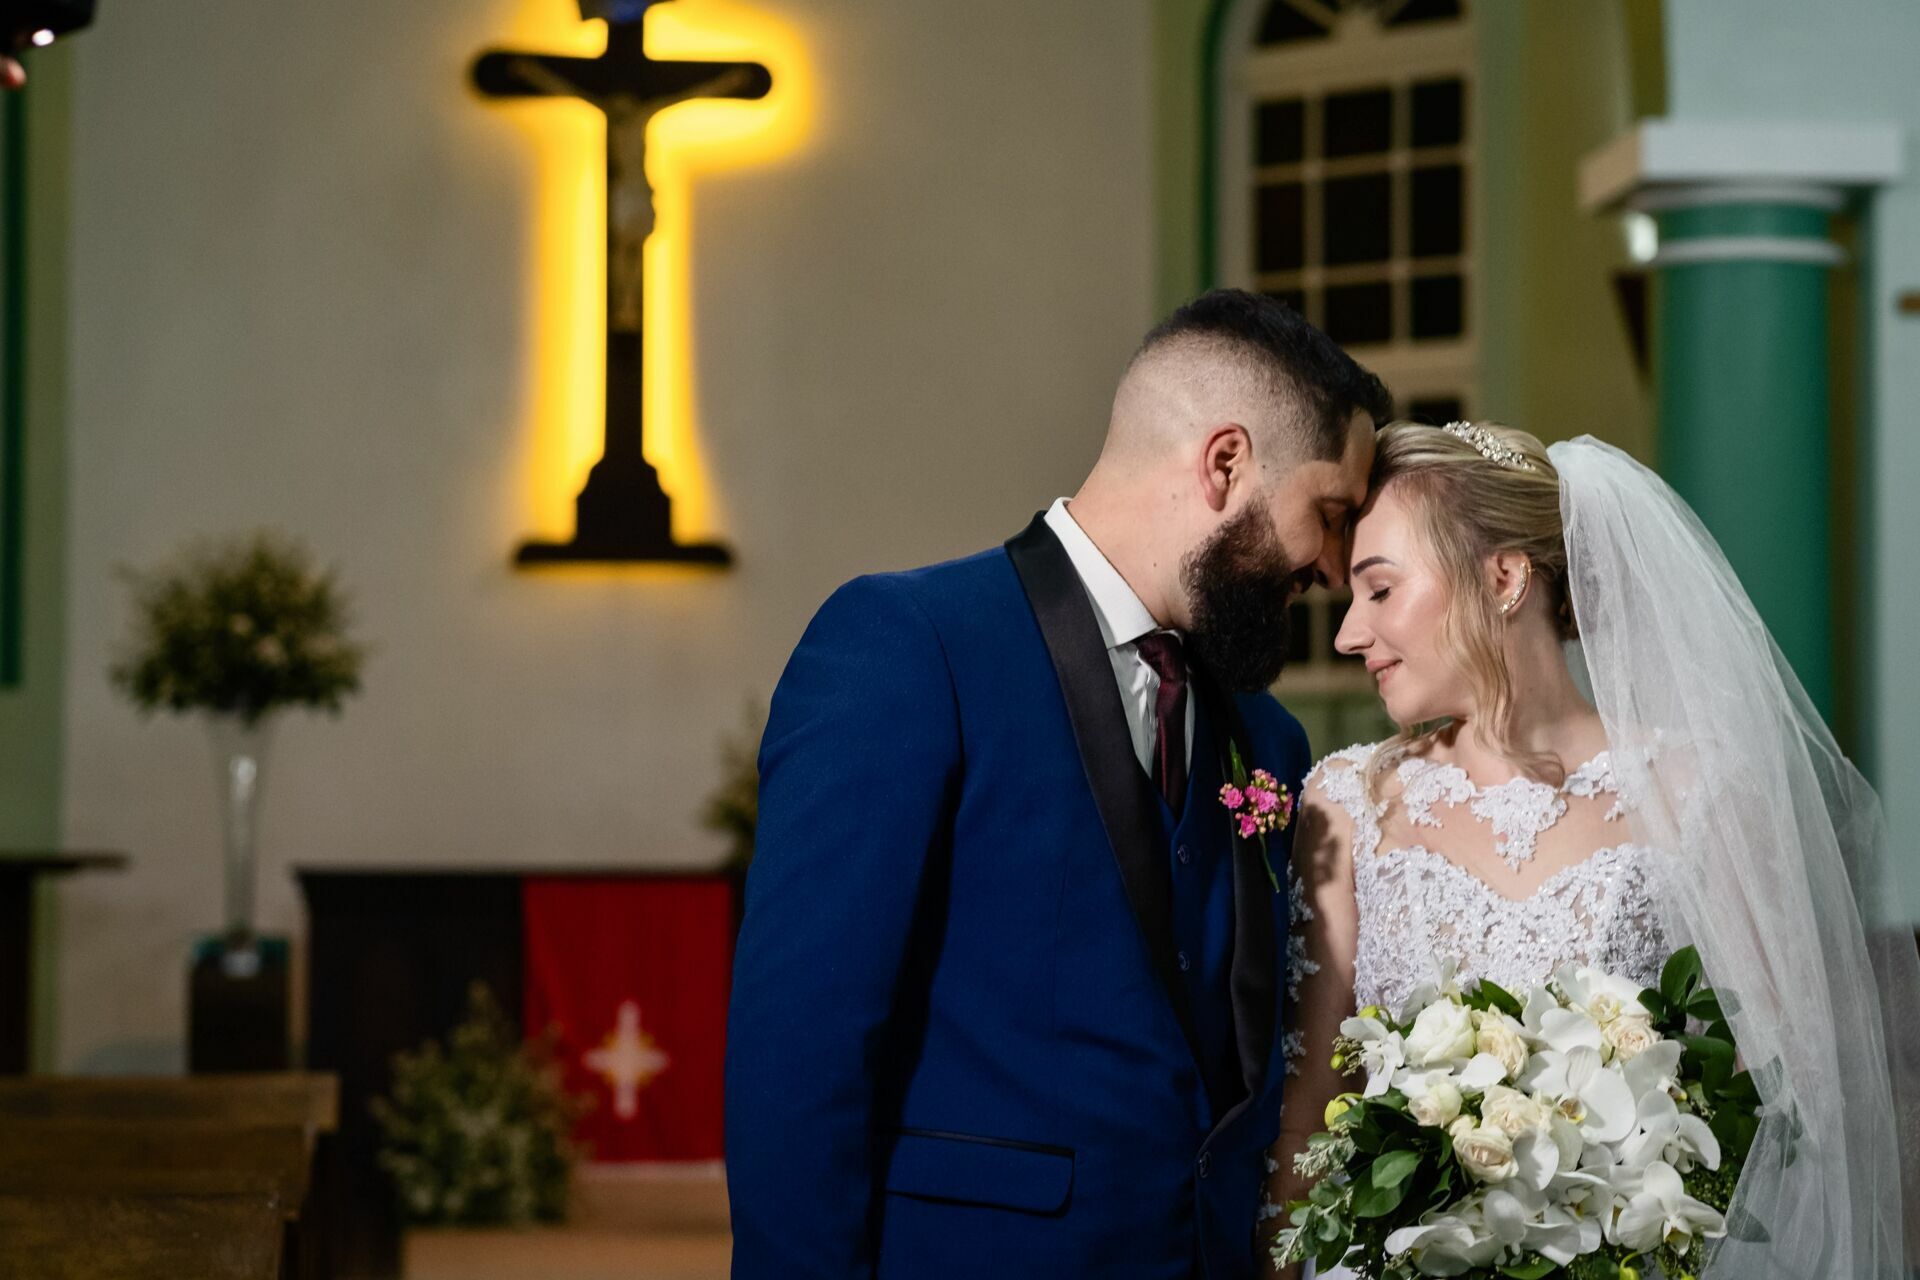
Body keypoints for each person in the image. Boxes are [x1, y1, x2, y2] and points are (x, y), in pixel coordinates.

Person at [726, 288, 1391, 1279]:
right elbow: (800, 1055)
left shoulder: (1268, 736)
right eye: (1329, 514)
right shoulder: (913, 647)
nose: (1335, 569)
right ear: (1224, 464)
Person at [1278, 422, 1920, 1278]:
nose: (1349, 634)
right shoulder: (1351, 802)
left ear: (1504, 577)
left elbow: (1791, 1113)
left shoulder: (1700, 794)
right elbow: (1308, 1111)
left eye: (1381, 591)